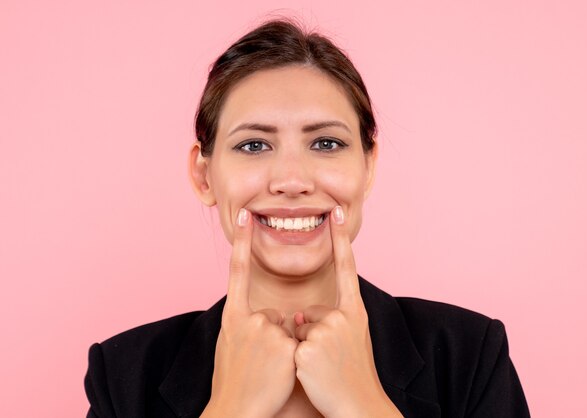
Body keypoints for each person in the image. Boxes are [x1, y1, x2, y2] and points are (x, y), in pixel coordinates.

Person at [84, 18, 530, 418]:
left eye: (326, 144)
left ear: (368, 167)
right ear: (204, 176)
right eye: (254, 145)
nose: (292, 180)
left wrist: (365, 406)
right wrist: (230, 410)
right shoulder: (125, 375)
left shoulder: (469, 356)